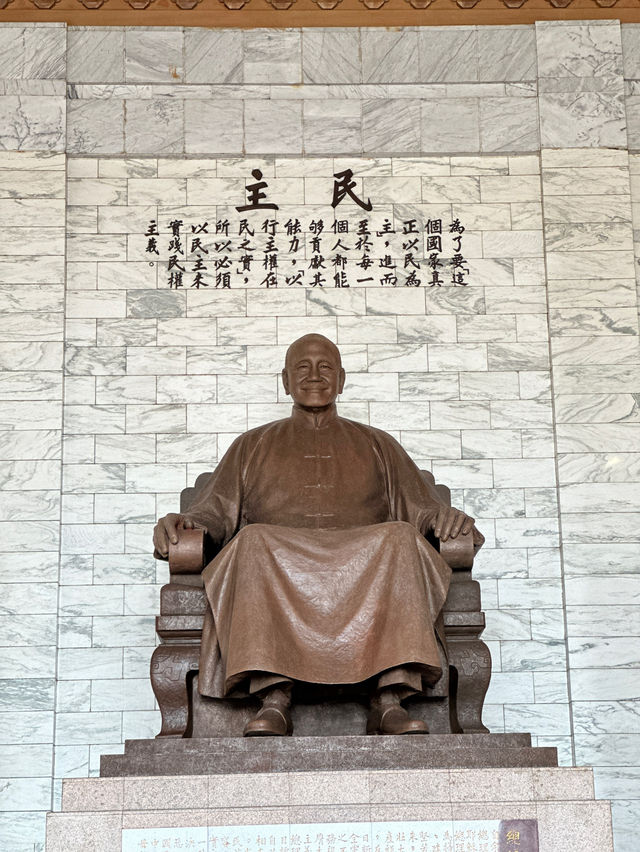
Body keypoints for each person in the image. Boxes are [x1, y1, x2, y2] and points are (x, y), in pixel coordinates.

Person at [153, 334, 478, 738]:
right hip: (277, 558)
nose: (313, 375)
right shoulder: (251, 445)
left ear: (341, 379)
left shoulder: (378, 444)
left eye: (325, 367)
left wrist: (445, 518)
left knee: (399, 537)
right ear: (284, 380)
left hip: (366, 562)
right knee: (251, 541)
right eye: (301, 368)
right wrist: (183, 523)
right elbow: (213, 513)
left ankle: (389, 699)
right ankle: (274, 698)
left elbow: (420, 509)